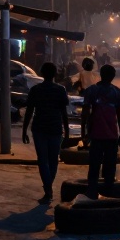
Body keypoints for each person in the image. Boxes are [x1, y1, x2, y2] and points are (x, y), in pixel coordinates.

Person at [22, 62, 71, 203]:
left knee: (43, 160)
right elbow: (64, 113)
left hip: (39, 129)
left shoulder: (35, 90)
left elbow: (29, 112)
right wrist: (67, 132)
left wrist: (24, 130)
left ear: (42, 74)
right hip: (55, 129)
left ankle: (48, 190)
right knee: (53, 160)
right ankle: (48, 188)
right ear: (55, 74)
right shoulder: (60, 90)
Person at [80, 64, 120, 199]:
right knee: (109, 168)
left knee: (94, 165)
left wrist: (84, 132)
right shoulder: (117, 92)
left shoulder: (92, 91)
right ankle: (108, 193)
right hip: (111, 135)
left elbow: (85, 113)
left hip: (96, 135)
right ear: (112, 77)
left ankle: (92, 192)